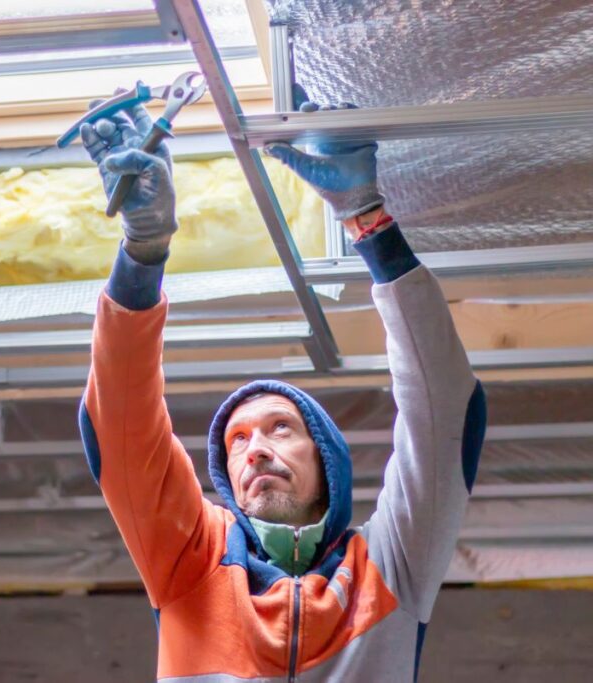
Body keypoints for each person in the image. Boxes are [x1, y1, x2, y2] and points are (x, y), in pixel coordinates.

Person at [77, 93, 487, 682]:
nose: (255, 448)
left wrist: (367, 218)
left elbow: (446, 412)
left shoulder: (391, 564)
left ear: (327, 458)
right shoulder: (191, 563)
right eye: (237, 441)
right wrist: (143, 249)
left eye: (279, 427)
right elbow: (118, 428)